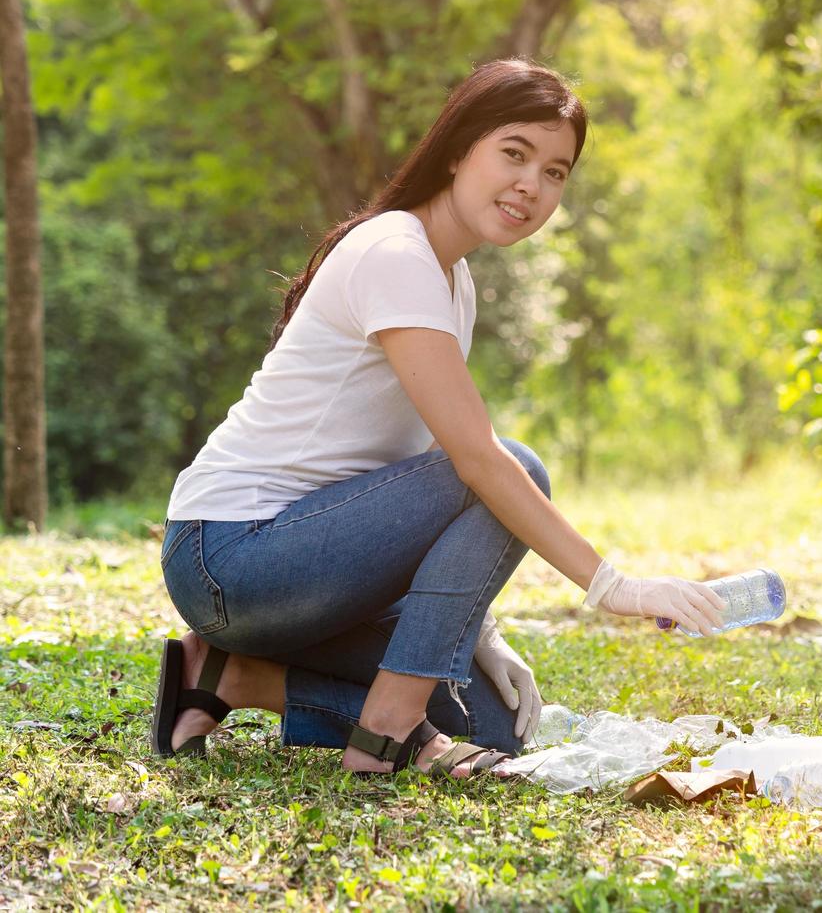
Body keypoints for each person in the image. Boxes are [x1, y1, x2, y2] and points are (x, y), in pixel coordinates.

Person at [152, 58, 728, 779]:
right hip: (232, 558)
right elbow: (474, 463)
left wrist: (474, 630)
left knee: (490, 721)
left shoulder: (451, 280)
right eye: (513, 153)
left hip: (315, 567)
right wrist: (614, 587)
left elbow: (417, 472)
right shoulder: (394, 253)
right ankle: (385, 734)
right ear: (458, 150)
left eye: (555, 172)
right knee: (516, 465)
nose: (531, 184)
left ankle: (226, 679)